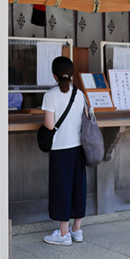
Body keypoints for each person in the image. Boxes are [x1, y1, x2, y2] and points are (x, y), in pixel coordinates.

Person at [41, 56, 87, 246]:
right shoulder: (79, 94)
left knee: (62, 188)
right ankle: (77, 229)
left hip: (60, 149)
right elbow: (85, 119)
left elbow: (49, 125)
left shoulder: (50, 95)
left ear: (54, 75)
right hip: (78, 148)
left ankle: (63, 233)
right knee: (78, 187)